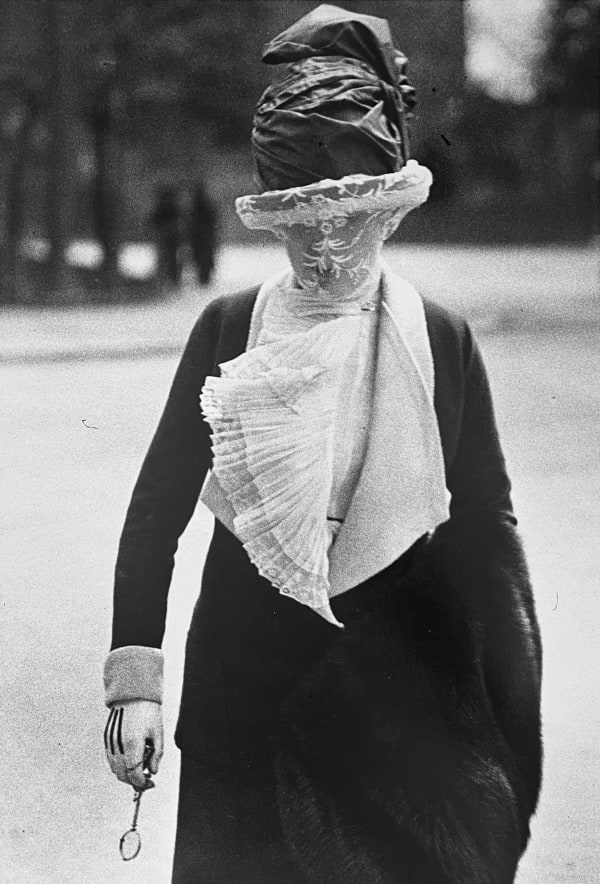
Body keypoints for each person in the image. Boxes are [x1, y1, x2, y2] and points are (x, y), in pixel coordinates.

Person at [103, 6, 542, 883]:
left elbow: (489, 535)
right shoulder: (232, 327)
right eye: (302, 218)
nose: (326, 242)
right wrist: (136, 686)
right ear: (276, 217)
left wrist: (506, 723)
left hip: (389, 712)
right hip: (244, 707)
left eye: (351, 215)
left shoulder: (441, 342)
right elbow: (156, 514)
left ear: (389, 214)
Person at [151, 186, 182, 286]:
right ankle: (167, 278)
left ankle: (171, 279)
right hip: (166, 238)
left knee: (170, 259)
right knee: (166, 259)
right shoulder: (168, 208)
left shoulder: (172, 209)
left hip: (171, 238)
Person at [189, 180, 218, 285]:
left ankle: (204, 278)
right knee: (203, 258)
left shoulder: (197, 206)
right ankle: (204, 278)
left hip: (201, 237)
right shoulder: (203, 205)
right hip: (203, 237)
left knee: (202, 258)